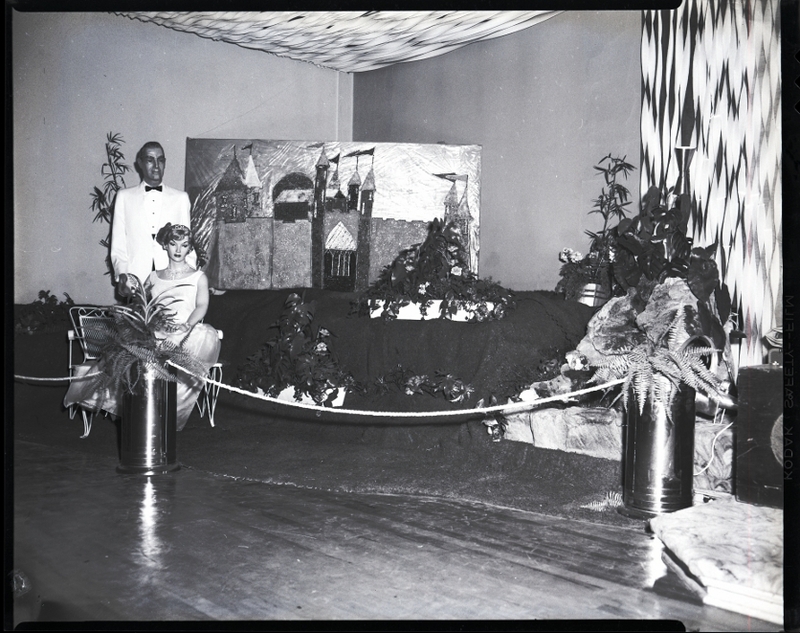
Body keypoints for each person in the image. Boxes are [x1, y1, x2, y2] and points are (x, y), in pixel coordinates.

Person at [65, 223, 220, 431]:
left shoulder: (198, 277)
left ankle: (165, 411)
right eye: (173, 244)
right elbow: (142, 305)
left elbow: (201, 305)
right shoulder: (154, 276)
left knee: (196, 341)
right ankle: (141, 408)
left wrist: (187, 325)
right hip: (157, 331)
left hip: (186, 331)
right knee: (127, 352)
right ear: (165, 245)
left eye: (184, 245)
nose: (178, 250)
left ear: (189, 248)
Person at [111, 141, 195, 298]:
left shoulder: (180, 198)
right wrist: (122, 274)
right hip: (135, 280)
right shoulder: (124, 197)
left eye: (160, 160)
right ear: (140, 163)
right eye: (150, 160)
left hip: (171, 279)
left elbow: (187, 242)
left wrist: (189, 279)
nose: (156, 166)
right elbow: (119, 244)